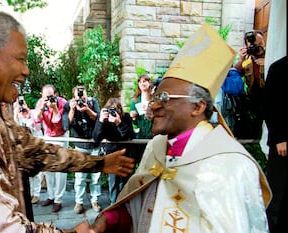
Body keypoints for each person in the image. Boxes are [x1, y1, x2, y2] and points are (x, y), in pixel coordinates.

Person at [0, 9, 135, 233]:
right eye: (20, 59)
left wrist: (99, 164)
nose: (26, 70)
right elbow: (1, 226)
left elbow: (32, 151)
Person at [70, 23, 271, 233]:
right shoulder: (157, 146)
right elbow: (139, 202)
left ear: (197, 107)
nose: (154, 105)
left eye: (164, 98)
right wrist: (108, 220)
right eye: (156, 97)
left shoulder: (228, 164)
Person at [63, 85, 101, 214]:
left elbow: (99, 119)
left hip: (94, 144)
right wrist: (73, 110)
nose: (81, 98)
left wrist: (87, 109)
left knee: (96, 177)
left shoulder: (92, 102)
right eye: (78, 96)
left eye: (83, 96)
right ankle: (79, 202)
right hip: (80, 145)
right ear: (74, 96)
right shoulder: (69, 105)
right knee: (80, 177)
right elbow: (66, 125)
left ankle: (94, 200)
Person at [93, 97, 135, 205]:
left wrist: (119, 123)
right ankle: (113, 204)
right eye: (111, 110)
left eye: (116, 110)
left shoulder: (125, 118)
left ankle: (124, 204)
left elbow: (129, 136)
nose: (113, 112)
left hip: (125, 153)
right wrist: (101, 121)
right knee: (113, 182)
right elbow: (96, 138)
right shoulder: (103, 119)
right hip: (112, 155)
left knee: (125, 182)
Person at [262, 55, 287, 233]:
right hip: (283, 144)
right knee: (278, 191)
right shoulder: (279, 68)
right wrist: (279, 138)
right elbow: (271, 106)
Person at [34, 84, 69, 213]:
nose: (48, 98)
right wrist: (42, 107)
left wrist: (54, 109)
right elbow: (36, 120)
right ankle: (51, 195)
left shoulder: (63, 103)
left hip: (60, 136)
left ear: (56, 95)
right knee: (48, 168)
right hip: (47, 136)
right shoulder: (41, 102)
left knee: (60, 169)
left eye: (50, 96)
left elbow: (58, 123)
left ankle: (58, 199)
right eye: (45, 96)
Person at [233, 29, 266, 139]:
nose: (258, 48)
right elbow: (234, 73)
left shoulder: (272, 56)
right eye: (254, 45)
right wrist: (241, 59)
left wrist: (268, 63)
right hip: (253, 96)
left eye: (260, 44)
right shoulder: (248, 59)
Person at [12, 97, 44, 206]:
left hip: (34, 147)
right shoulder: (15, 117)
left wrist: (28, 114)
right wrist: (16, 115)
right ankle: (29, 193)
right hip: (21, 149)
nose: (21, 105)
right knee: (25, 172)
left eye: (23, 102)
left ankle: (36, 194)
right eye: (19, 104)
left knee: (36, 173)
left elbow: (36, 128)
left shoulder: (33, 114)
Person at [129, 73, 154, 139]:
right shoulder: (135, 100)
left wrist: (149, 110)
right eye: (140, 82)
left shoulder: (154, 98)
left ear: (149, 83)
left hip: (153, 133)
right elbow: (135, 123)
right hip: (141, 135)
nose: (142, 84)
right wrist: (133, 117)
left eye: (144, 81)